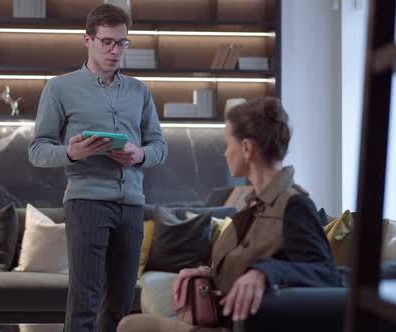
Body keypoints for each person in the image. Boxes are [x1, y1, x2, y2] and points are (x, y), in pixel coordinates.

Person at [117, 97, 343, 332]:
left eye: (228, 144)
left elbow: (326, 274)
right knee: (130, 324)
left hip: (236, 327)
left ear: (246, 148)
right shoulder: (255, 204)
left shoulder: (294, 205)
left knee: (132, 327)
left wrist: (265, 273)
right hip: (223, 320)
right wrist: (208, 273)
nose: (225, 154)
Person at [28, 4, 168, 332]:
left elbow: (160, 147)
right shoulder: (59, 88)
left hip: (132, 206)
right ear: (87, 40)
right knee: (84, 303)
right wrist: (72, 153)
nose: (115, 51)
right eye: (107, 42)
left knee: (120, 305)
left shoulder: (139, 91)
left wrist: (140, 155)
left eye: (122, 43)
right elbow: (36, 151)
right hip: (86, 203)